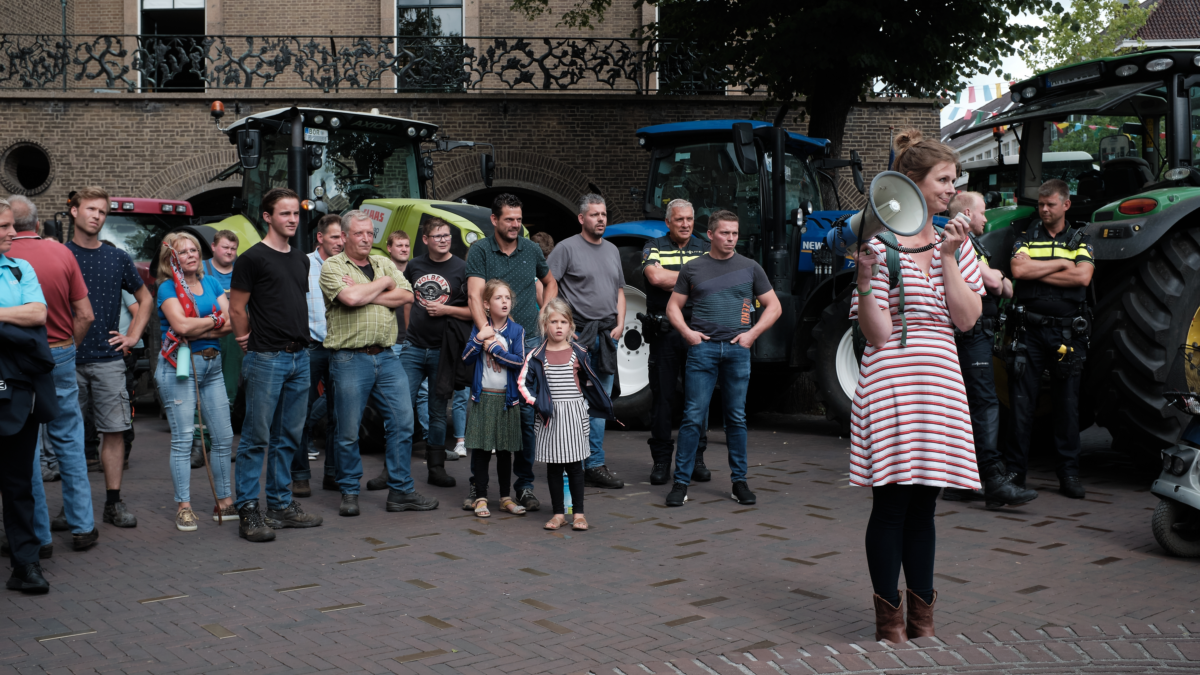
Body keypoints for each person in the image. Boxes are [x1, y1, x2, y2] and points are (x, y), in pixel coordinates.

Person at [849, 129, 984, 642]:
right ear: (912, 185)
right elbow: (878, 333)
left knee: (925, 503)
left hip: (941, 379)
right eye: (944, 180)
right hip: (893, 379)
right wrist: (864, 281)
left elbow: (967, 319)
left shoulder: (957, 242)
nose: (952, 189)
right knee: (892, 503)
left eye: (954, 181)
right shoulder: (880, 247)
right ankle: (890, 620)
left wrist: (950, 256)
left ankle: (922, 618)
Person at [320, 210, 437, 516]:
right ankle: (349, 491)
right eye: (359, 233)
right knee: (347, 430)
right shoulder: (332, 266)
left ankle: (400, 491)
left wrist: (369, 289)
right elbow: (350, 299)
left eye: (370, 233)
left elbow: (407, 295)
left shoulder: (383, 262)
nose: (366, 238)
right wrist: (383, 285)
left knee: (402, 423)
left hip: (386, 357)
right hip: (349, 359)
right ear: (344, 236)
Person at [664, 210, 781, 508]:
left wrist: (751, 335)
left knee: (736, 419)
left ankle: (739, 482)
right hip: (702, 350)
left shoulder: (751, 267)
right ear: (711, 234)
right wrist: (688, 334)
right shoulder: (693, 269)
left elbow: (774, 307)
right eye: (725, 233)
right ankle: (680, 483)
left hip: (737, 351)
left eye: (735, 233)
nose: (731, 239)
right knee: (692, 418)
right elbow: (673, 308)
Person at [228, 188, 323, 542]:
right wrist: (244, 340)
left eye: (295, 214)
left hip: (301, 357)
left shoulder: (301, 259)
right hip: (266, 357)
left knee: (289, 437)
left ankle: (281, 506)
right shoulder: (252, 259)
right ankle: (249, 510)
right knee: (255, 439)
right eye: (284, 214)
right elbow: (237, 308)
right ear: (268, 217)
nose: (293, 219)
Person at [7, 195, 99, 552]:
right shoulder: (62, 253)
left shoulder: (8, 259)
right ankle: (82, 526)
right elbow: (86, 314)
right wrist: (68, 349)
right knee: (70, 440)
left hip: (16, 358)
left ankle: (39, 536)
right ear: (36, 220)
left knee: (24, 444)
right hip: (59, 352)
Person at [943, 192, 1037, 508]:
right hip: (972, 332)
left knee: (968, 405)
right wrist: (998, 277)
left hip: (973, 331)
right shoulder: (962, 243)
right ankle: (994, 480)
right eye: (983, 213)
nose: (986, 218)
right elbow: (998, 285)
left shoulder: (966, 244)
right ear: (968, 213)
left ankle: (959, 482)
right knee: (984, 404)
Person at [465, 194, 559, 512]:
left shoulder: (531, 249)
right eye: (509, 219)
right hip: (493, 340)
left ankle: (524, 486)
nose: (515, 225)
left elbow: (550, 281)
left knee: (525, 417)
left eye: (519, 219)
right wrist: (487, 334)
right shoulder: (480, 249)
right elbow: (475, 296)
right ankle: (478, 487)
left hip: (530, 342)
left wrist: (544, 314)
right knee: (486, 415)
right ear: (494, 220)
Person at [66, 187, 153, 529]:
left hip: (108, 360)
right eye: (90, 209)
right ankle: (71, 508)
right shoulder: (60, 255)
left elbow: (145, 299)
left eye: (102, 212)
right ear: (74, 211)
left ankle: (113, 504)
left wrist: (133, 335)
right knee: (69, 435)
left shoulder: (117, 258)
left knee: (115, 432)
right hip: (67, 360)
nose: (96, 216)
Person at [1008, 179, 1094, 500]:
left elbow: (1083, 276)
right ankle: (1016, 471)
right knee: (1021, 404)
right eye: (1041, 205)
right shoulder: (1026, 235)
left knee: (1067, 406)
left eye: (1050, 204)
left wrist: (1038, 268)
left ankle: (1068, 474)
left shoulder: (1080, 237)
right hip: (1028, 331)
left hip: (1068, 333)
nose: (1044, 210)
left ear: (1065, 205)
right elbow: (1019, 271)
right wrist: (1061, 263)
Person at [154, 232, 236, 531]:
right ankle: (184, 507)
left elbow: (230, 323)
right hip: (180, 367)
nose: (190, 255)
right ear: (171, 258)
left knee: (224, 438)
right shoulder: (166, 288)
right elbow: (180, 325)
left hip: (212, 366)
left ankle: (225, 502)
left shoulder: (212, 282)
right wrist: (213, 321)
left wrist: (202, 328)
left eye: (194, 250)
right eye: (183, 251)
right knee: (183, 439)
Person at [547, 194, 625, 489]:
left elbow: (619, 290)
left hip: (606, 336)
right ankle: (569, 462)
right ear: (582, 218)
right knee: (570, 403)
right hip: (578, 339)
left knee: (599, 404)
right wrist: (559, 328)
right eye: (595, 215)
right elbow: (548, 285)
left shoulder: (613, 250)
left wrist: (620, 323)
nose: (601, 219)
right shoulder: (566, 248)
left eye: (604, 214)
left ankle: (593, 464)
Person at [519, 298, 616, 531]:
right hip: (549, 417)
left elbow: (589, 381)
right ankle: (558, 514)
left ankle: (579, 514)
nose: (558, 326)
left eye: (563, 321)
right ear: (545, 325)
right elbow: (523, 384)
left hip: (574, 414)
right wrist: (537, 404)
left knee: (575, 467)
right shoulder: (535, 356)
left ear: (571, 326)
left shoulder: (579, 352)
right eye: (553, 322)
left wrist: (587, 404)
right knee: (554, 467)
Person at [0, 197, 57, 594]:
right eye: (3, 227)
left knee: (19, 484)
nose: (11, 232)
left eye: (10, 225)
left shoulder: (21, 269)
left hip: (15, 394)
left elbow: (38, 315)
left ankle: (26, 564)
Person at [397, 217, 473, 489]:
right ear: (426, 240)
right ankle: (392, 469)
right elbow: (405, 297)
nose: (443, 239)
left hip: (444, 350)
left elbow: (473, 311)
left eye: (447, 235)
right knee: (400, 410)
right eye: (438, 235)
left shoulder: (462, 268)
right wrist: (407, 332)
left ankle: (436, 468)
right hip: (414, 348)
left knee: (438, 411)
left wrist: (445, 310)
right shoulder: (415, 265)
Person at [641, 198, 712, 485]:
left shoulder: (705, 248)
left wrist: (681, 278)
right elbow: (655, 277)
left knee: (699, 400)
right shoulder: (653, 246)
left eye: (689, 219)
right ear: (668, 222)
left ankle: (696, 458)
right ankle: (661, 462)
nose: (685, 224)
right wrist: (696, 277)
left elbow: (715, 281)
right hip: (665, 333)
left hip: (698, 332)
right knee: (663, 399)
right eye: (679, 219)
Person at [461, 279, 526, 517]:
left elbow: (519, 361)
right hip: (483, 398)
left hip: (507, 400)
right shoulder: (482, 329)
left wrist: (496, 350)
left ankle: (505, 497)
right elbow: (466, 358)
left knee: (505, 450)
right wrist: (480, 339)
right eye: (499, 298)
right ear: (486, 304)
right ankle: (480, 497)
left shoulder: (516, 330)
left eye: (507, 298)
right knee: (482, 450)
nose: (505, 302)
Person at [296, 214, 344, 497]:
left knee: (339, 414)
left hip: (341, 350)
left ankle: (333, 475)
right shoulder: (303, 264)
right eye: (335, 236)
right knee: (299, 414)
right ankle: (300, 475)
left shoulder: (348, 266)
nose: (340, 242)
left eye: (342, 237)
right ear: (320, 237)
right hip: (311, 347)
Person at [202, 230, 242, 409]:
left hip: (235, 335)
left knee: (231, 381)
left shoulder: (242, 272)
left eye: (233, 248)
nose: (229, 252)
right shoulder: (200, 270)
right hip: (206, 333)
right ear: (213, 247)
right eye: (225, 247)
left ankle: (226, 415)